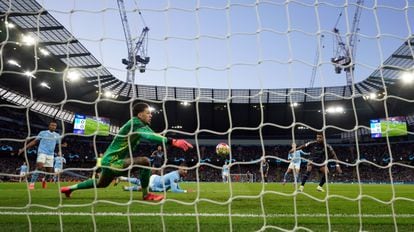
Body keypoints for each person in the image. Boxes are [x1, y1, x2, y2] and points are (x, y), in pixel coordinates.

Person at [60, 102, 193, 201]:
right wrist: (173, 141)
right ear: (140, 114)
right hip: (112, 162)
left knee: (101, 184)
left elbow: (153, 135)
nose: (150, 115)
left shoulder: (139, 125)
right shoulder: (136, 123)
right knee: (145, 161)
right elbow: (150, 137)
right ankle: (146, 195)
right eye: (148, 113)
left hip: (108, 161)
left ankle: (69, 188)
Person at [18, 121, 67, 190]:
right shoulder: (42, 133)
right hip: (42, 152)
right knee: (39, 167)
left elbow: (57, 144)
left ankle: (44, 180)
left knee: (49, 173)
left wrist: (63, 145)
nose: (53, 127)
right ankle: (32, 184)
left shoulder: (57, 135)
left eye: (55, 126)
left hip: (51, 155)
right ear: (49, 126)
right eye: (52, 125)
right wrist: (23, 149)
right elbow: (34, 141)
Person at [116, 166, 192, 193]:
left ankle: (123, 179)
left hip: (155, 178)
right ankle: (126, 186)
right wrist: (185, 191)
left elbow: (176, 186)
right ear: (179, 169)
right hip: (155, 183)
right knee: (142, 187)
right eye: (184, 170)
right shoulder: (175, 176)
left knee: (139, 182)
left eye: (186, 170)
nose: (186, 171)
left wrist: (182, 190)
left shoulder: (176, 174)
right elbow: (174, 190)